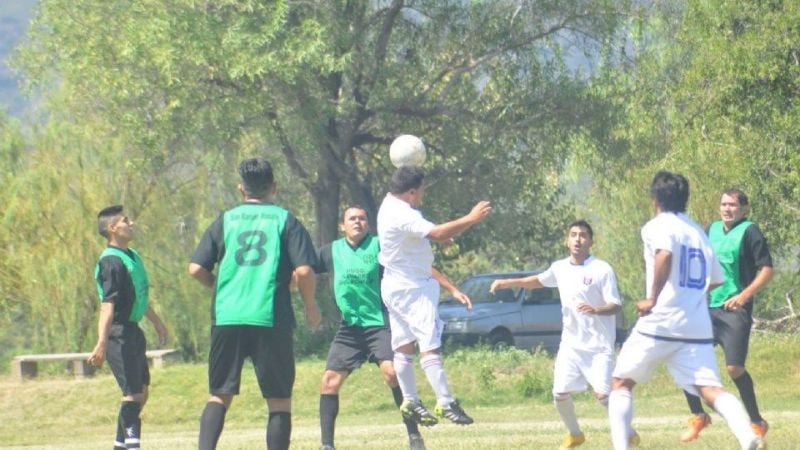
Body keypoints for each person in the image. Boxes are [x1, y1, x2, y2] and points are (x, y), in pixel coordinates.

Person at [607, 171, 765, 450]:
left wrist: (652, 298)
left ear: (655, 199)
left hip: (661, 320)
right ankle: (748, 436)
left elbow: (664, 254)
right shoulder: (697, 232)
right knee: (711, 390)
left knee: (621, 383)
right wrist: (689, 298)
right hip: (696, 324)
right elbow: (716, 279)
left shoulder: (657, 225)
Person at [188, 158, 321, 450]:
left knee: (219, 395)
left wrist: (221, 289)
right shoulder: (285, 220)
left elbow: (196, 269)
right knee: (279, 400)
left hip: (227, 317)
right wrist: (311, 306)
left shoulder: (226, 219)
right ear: (274, 187)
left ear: (241, 189)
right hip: (269, 316)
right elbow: (304, 271)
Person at [489, 220, 638, 449]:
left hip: (599, 346)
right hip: (570, 344)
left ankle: (628, 432)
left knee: (604, 397)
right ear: (567, 240)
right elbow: (538, 280)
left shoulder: (601, 269)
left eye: (583, 235)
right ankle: (575, 434)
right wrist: (508, 282)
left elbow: (615, 304)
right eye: (573, 235)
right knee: (559, 393)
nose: (578, 239)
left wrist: (596, 310)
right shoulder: (560, 268)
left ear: (591, 241)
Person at [376, 166, 492, 426]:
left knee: (403, 345)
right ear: (412, 191)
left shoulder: (388, 204)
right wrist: (472, 217)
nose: (423, 196)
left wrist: (435, 238)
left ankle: (410, 401)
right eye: (422, 191)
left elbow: (426, 236)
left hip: (395, 285)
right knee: (429, 346)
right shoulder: (403, 213)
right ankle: (445, 402)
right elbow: (438, 232)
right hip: (413, 289)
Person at [317, 206, 425, 450]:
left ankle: (414, 436)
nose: (358, 222)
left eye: (362, 218)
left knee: (392, 373)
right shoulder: (331, 251)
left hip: (379, 324)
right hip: (350, 328)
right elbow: (304, 269)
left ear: (369, 224)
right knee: (329, 381)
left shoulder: (379, 247)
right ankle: (327, 445)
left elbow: (409, 256)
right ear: (342, 226)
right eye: (352, 218)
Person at [680, 188, 774, 442]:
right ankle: (698, 416)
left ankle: (757, 422)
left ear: (744, 208)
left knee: (734, 368)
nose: (727, 209)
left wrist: (744, 296)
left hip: (734, 311)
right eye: (723, 204)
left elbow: (766, 269)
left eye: (733, 205)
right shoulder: (710, 229)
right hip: (707, 309)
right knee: (685, 357)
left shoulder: (749, 230)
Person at [88, 205, 169, 450]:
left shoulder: (131, 255)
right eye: (125, 220)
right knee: (132, 394)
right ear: (112, 228)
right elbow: (108, 305)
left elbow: (137, 296)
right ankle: (133, 446)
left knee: (141, 392)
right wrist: (102, 341)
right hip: (118, 333)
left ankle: (119, 446)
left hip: (133, 330)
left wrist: (157, 322)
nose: (131, 223)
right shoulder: (111, 261)